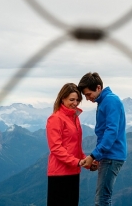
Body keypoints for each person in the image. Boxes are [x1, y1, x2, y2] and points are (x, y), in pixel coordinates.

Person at [77, 72, 127, 206]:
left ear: (98, 88)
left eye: (88, 94)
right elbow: (104, 132)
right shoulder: (104, 101)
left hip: (112, 156)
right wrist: (98, 157)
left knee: (102, 199)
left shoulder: (110, 101)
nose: (87, 98)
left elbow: (111, 132)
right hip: (108, 155)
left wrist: (94, 156)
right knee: (103, 198)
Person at [46, 83, 87, 206]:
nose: (75, 103)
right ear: (62, 98)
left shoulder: (75, 118)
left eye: (78, 100)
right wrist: (77, 162)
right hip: (59, 173)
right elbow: (56, 148)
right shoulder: (55, 119)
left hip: (74, 172)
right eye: (71, 100)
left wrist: (87, 162)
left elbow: (76, 147)